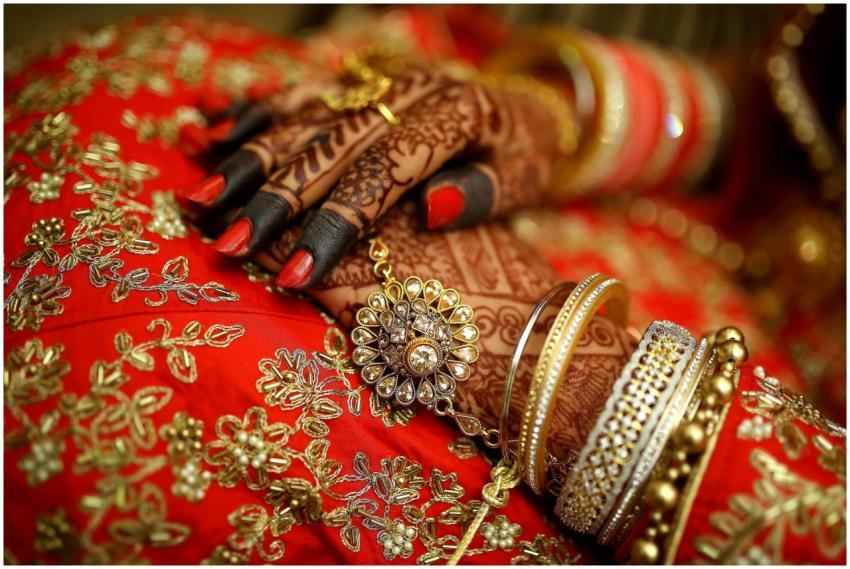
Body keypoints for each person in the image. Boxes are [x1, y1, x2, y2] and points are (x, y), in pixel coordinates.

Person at [3, 6, 844, 565]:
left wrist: (583, 387)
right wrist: (560, 120)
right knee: (118, 111)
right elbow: (760, 103)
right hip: (679, 208)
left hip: (728, 448)